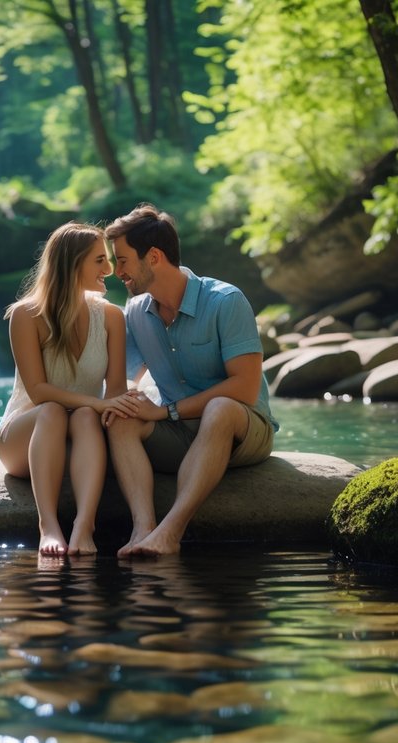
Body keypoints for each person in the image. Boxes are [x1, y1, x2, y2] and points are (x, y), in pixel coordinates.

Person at [103, 204, 277, 556]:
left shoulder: (225, 301)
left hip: (243, 429)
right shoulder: (136, 312)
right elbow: (121, 380)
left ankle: (171, 532)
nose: (116, 271)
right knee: (122, 416)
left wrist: (165, 412)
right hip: (183, 434)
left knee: (220, 408)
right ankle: (143, 529)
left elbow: (244, 388)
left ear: (153, 257)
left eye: (122, 260)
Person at [0, 221, 139, 556]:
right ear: (72, 264)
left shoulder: (111, 317)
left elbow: (114, 390)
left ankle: (83, 526)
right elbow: (38, 391)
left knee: (87, 415)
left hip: (82, 432)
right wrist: (97, 403)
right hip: (25, 435)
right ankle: (48, 525)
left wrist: (116, 407)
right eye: (99, 261)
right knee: (54, 411)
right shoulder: (25, 315)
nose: (110, 269)